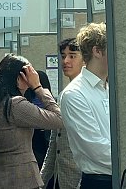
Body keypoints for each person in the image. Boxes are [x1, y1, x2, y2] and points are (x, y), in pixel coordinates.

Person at [0, 54, 62, 189]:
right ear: (19, 77)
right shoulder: (15, 105)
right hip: (21, 179)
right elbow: (59, 119)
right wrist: (38, 88)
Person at [60, 23, 111, 189]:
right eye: (112, 47)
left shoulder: (111, 90)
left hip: (122, 177)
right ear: (97, 51)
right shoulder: (74, 94)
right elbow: (96, 149)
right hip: (99, 182)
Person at [41, 38, 84, 189]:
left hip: (80, 177)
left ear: (84, 59)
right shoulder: (65, 94)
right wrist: (42, 181)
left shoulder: (85, 94)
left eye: (72, 56)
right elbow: (54, 142)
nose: (65, 61)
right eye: (63, 55)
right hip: (61, 177)